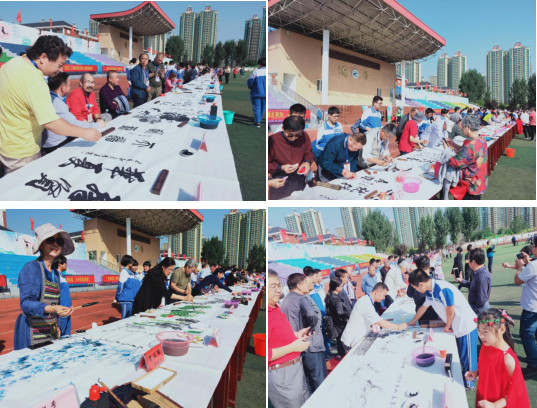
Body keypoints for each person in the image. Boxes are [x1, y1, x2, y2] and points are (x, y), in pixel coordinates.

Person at [0, 36, 101, 173]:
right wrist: (83, 132)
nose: (60, 70)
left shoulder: (12, 63)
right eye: (59, 65)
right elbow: (51, 122)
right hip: (22, 151)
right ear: (43, 57)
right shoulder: (35, 82)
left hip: (5, 143)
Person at [408, 269, 478, 389]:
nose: (416, 291)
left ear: (421, 284)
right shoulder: (430, 292)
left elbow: (450, 309)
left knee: (468, 358)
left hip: (465, 326)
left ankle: (469, 383)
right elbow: (423, 307)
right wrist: (413, 321)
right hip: (457, 326)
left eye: (415, 288)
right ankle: (466, 377)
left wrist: (448, 325)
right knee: (462, 356)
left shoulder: (442, 288)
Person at [14, 223, 75, 349]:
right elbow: (26, 303)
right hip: (32, 331)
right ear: (41, 244)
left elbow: (56, 303)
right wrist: (54, 308)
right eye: (50, 240)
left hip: (50, 330)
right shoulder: (31, 268)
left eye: (59, 241)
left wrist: (58, 322)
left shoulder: (56, 274)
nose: (55, 244)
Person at [465, 308, 530, 407]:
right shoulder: (486, 345)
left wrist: (495, 405)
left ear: (502, 329)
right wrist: (476, 372)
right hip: (485, 395)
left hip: (499, 403)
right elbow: (486, 366)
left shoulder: (507, 359)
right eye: (479, 331)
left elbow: (517, 391)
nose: (481, 336)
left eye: (485, 332)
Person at [268, 270, 311, 408]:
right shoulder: (268, 314)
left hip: (295, 367)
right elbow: (266, 353)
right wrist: (293, 347)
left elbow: (277, 335)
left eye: (278, 285)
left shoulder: (276, 308)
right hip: (282, 373)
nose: (278, 290)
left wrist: (296, 335)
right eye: (273, 286)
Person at [281, 273, 327, 393]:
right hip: (310, 344)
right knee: (319, 380)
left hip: (297, 345)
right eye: (306, 283)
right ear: (299, 285)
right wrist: (311, 328)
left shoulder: (286, 299)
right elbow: (312, 315)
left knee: (307, 381)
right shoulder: (302, 299)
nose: (308, 285)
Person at [41, 72, 103, 155]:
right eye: (69, 85)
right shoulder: (59, 103)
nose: (90, 85)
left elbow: (95, 108)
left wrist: (97, 120)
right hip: (57, 143)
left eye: (92, 82)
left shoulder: (50, 98)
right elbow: (74, 122)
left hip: (56, 139)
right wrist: (96, 125)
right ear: (63, 87)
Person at [341, 282, 408, 349]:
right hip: (351, 340)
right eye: (383, 295)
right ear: (377, 292)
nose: (384, 298)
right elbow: (380, 322)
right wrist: (398, 327)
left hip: (356, 336)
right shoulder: (366, 303)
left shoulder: (366, 300)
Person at [268, 116, 314, 199]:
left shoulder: (304, 136)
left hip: (299, 177)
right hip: (280, 179)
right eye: (290, 135)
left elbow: (309, 153)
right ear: (283, 128)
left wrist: (307, 162)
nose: (293, 138)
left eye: (297, 135)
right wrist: (281, 167)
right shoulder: (272, 140)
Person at [447, 115, 489, 199]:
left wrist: (446, 151)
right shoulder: (481, 140)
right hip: (479, 180)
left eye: (463, 127)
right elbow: (470, 154)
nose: (461, 129)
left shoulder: (470, 145)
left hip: (469, 185)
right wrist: (454, 145)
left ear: (468, 127)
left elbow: (456, 163)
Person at [513, 241, 537, 378]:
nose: (532, 248)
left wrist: (520, 267)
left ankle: (533, 364)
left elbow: (517, 280)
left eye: (533, 246)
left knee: (526, 335)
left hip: (532, 307)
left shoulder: (533, 266)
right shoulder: (533, 264)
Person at [455, 248, 492, 315]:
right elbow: (474, 286)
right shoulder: (478, 272)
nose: (468, 261)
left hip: (480, 310)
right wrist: (462, 280)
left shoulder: (482, 277)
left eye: (469, 259)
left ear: (473, 262)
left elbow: (482, 299)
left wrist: (474, 312)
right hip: (477, 307)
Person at [406, 256, 439, 322]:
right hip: (437, 315)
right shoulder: (437, 281)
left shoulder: (414, 282)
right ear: (429, 266)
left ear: (417, 267)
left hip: (422, 316)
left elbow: (409, 294)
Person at [324, 278, 351, 357]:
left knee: (340, 342)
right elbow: (340, 312)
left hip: (335, 323)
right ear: (337, 288)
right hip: (340, 324)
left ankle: (341, 355)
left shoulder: (329, 296)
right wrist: (346, 319)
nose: (342, 287)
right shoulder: (335, 298)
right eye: (341, 286)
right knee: (344, 342)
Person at [116, 255, 142, 319]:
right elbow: (120, 286)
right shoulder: (124, 272)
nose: (132, 263)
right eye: (131, 262)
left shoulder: (135, 275)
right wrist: (118, 297)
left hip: (132, 300)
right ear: (128, 263)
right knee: (125, 319)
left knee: (130, 319)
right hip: (126, 300)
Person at [52, 255, 72, 336]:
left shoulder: (62, 276)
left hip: (68, 310)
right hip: (62, 312)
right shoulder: (56, 277)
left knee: (67, 335)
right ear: (59, 264)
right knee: (60, 336)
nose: (66, 264)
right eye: (65, 263)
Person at [247, 57, 266, 128]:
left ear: (259, 64)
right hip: (265, 94)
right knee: (262, 107)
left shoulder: (256, 72)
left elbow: (250, 82)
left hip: (256, 93)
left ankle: (257, 123)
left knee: (257, 108)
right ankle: (259, 119)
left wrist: (250, 87)